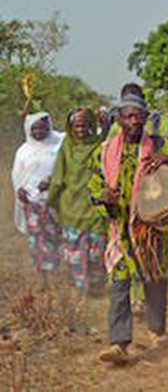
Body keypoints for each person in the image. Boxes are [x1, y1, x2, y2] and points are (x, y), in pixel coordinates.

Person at [89, 86, 168, 364]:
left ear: (144, 118)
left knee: (154, 279)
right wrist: (104, 197)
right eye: (128, 116)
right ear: (119, 119)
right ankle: (119, 343)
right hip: (120, 229)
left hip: (152, 229)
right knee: (119, 281)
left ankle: (157, 330)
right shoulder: (104, 152)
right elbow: (93, 187)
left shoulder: (159, 145)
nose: (133, 122)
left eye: (138, 117)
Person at [45, 109, 107, 295]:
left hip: (94, 209)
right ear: (70, 128)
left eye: (85, 125)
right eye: (77, 126)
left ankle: (96, 288)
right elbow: (57, 179)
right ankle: (82, 291)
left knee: (97, 253)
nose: (81, 129)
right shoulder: (65, 147)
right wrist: (49, 203)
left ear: (90, 126)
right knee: (75, 255)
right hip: (71, 208)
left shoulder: (99, 145)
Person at [12, 112, 64, 277]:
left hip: (56, 200)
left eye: (43, 128)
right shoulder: (23, 150)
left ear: (49, 127)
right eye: (35, 129)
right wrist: (19, 189)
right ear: (29, 130)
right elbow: (16, 173)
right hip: (32, 201)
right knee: (38, 237)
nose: (39, 132)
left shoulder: (59, 144)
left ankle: (57, 268)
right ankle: (43, 272)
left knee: (54, 234)